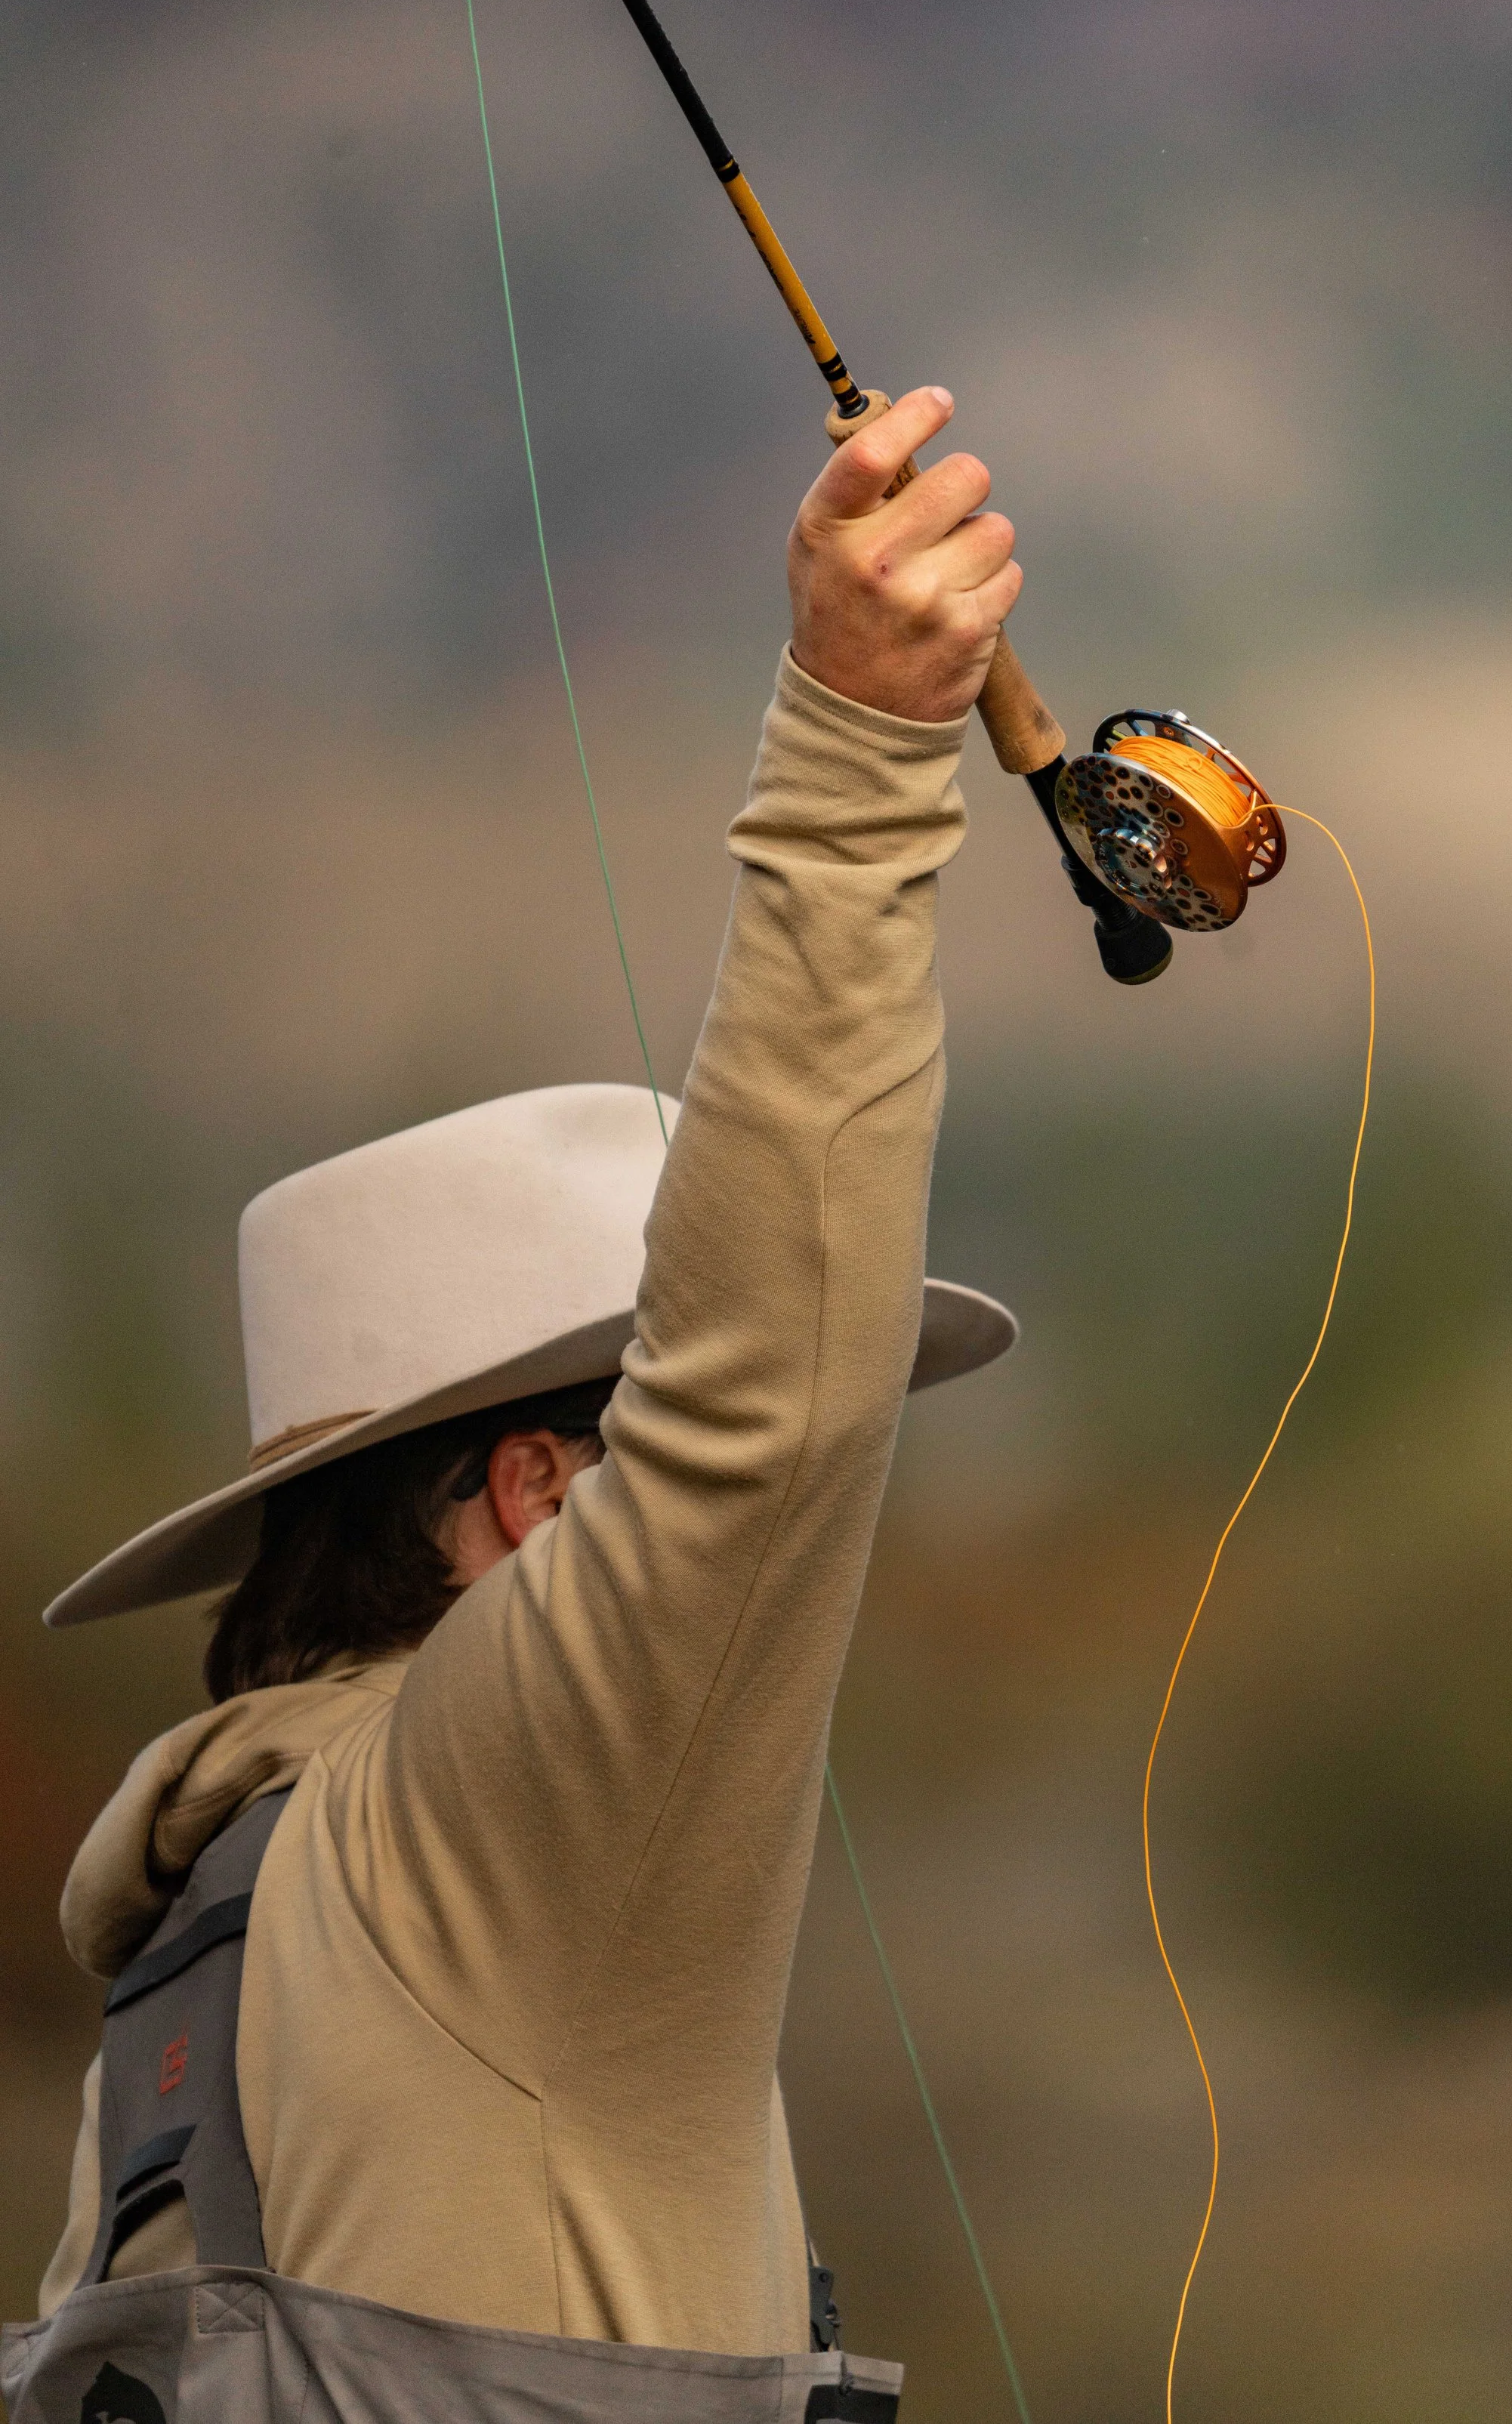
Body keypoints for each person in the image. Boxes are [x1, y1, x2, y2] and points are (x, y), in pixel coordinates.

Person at [3, 386, 1022, 2424]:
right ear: (544, 1492)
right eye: (631, 1470)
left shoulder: (194, 1950)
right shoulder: (509, 1804)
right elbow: (765, 1397)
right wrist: (858, 754)